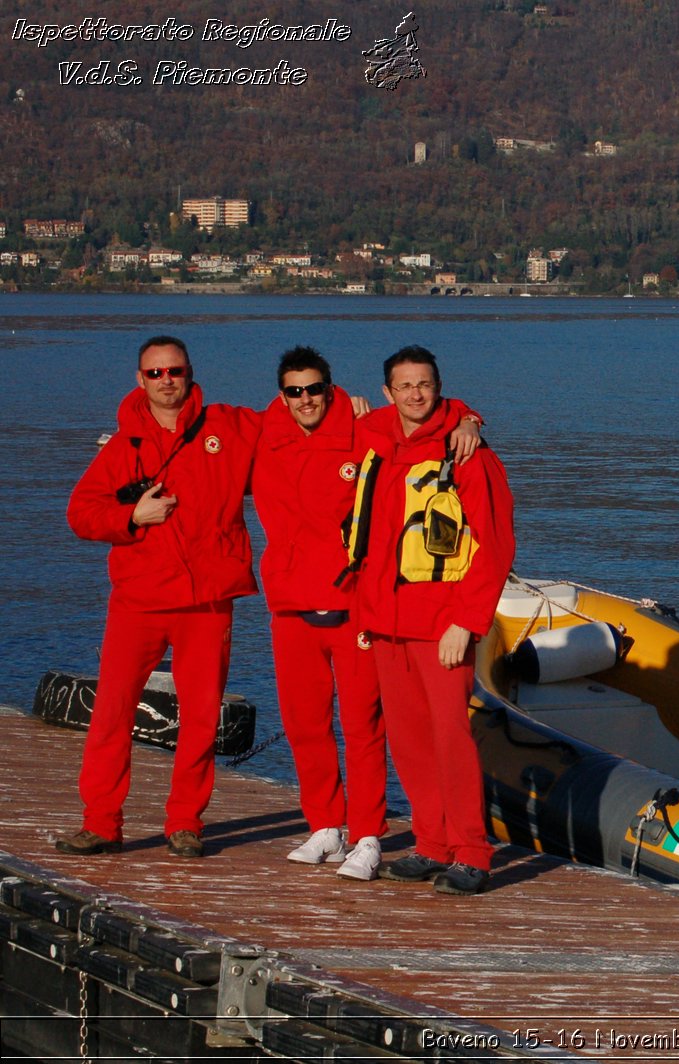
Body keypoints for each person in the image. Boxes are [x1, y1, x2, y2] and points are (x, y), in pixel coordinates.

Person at [254, 347, 480, 880]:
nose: (306, 399)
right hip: (291, 603)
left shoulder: (365, 430)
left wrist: (468, 417)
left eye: (315, 388)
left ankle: (370, 834)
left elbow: (426, 409)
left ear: (333, 388)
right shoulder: (264, 432)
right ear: (282, 394)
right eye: (295, 390)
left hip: (356, 605)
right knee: (305, 723)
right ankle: (326, 824)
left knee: (365, 726)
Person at [61, 336, 260, 858]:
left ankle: (185, 822)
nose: (166, 380)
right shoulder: (122, 445)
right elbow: (80, 514)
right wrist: (130, 517)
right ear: (140, 380)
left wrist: (462, 415)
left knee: (201, 716)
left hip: (207, 598)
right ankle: (101, 822)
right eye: (155, 373)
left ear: (190, 373)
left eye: (174, 370)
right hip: (140, 599)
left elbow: (304, 419)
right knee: (112, 712)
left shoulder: (230, 427)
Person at [346, 346, 514, 895]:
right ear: (388, 391)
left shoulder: (467, 453)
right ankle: (431, 842)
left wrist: (466, 621)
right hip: (386, 621)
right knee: (410, 740)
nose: (416, 394)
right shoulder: (372, 436)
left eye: (425, 384)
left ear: (440, 388)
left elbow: (495, 546)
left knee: (451, 737)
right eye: (405, 386)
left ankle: (471, 851)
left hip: (442, 624)